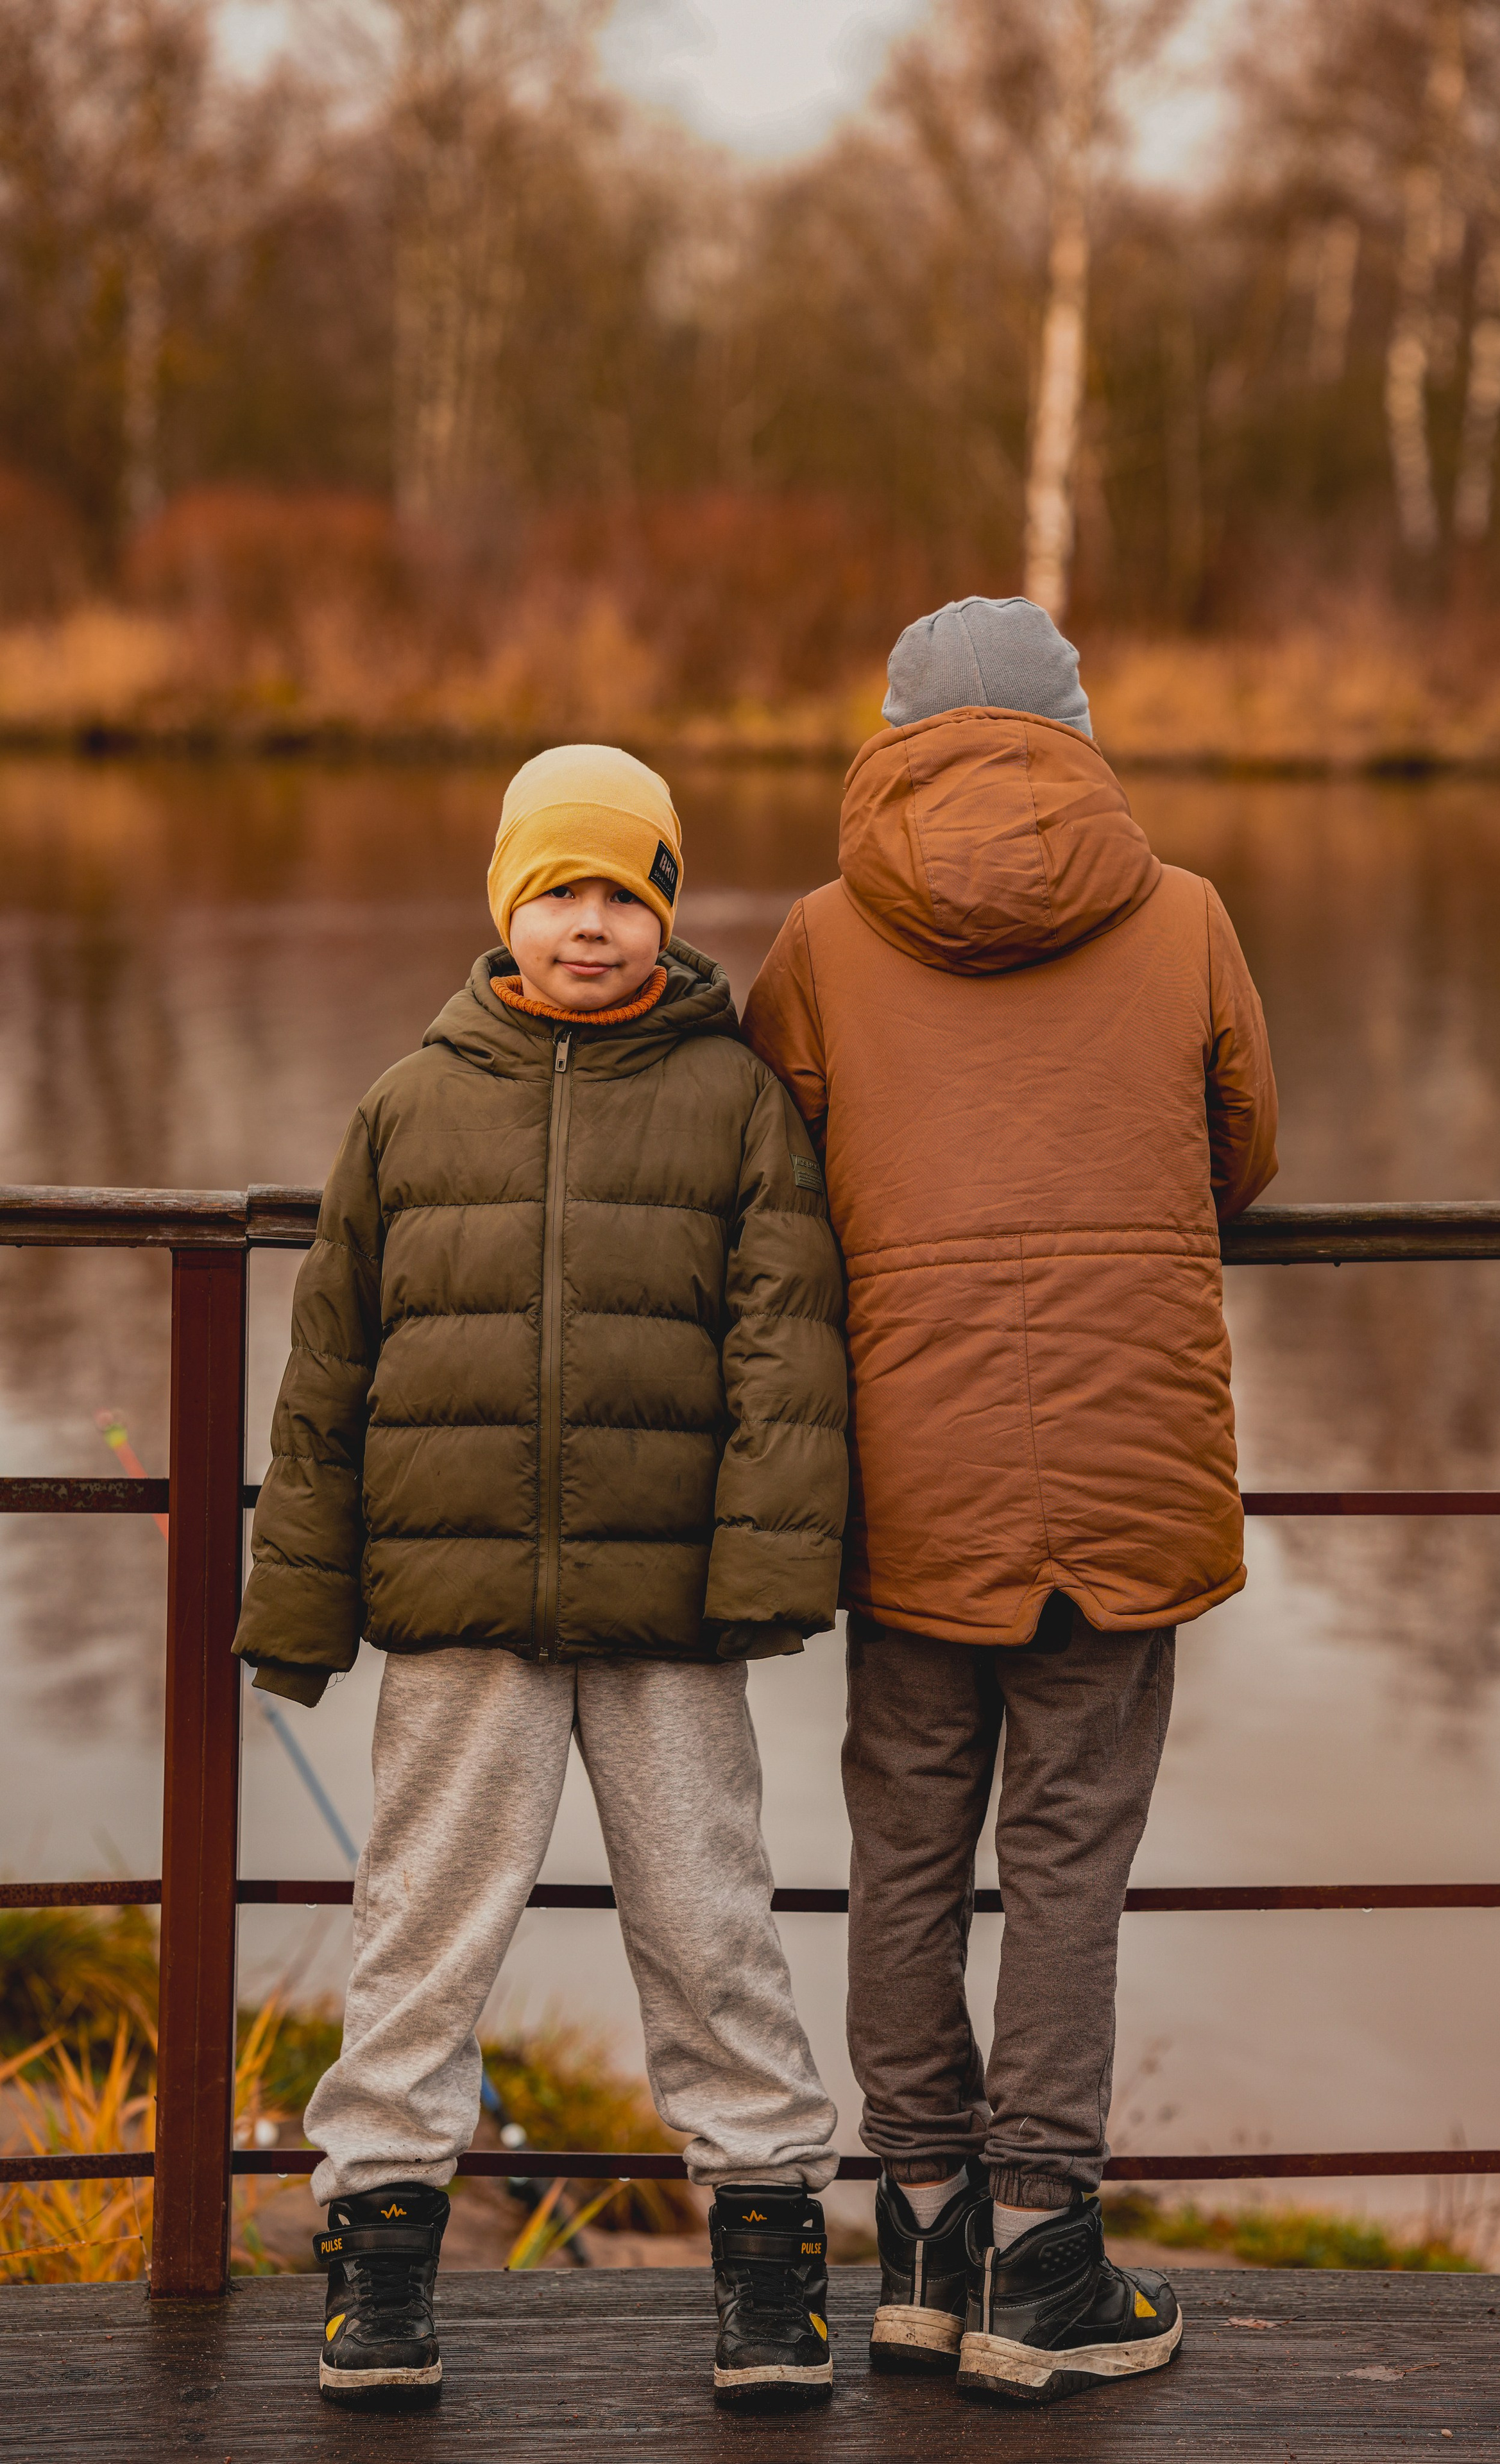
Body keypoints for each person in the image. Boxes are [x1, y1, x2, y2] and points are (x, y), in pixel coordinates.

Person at [233, 744, 848, 2414]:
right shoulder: (411, 1102)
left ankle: (770, 2253)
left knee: (713, 1925)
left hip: (669, 1619)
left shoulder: (733, 1100)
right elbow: (328, 1373)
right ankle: (378, 2255)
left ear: (664, 906)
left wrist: (765, 1573)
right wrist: (299, 1604)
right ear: (508, 907)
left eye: (622, 894)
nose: (590, 926)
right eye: (558, 893)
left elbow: (787, 1350)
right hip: (460, 1619)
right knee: (422, 1929)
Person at [742, 595, 1279, 2409]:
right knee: (1067, 1858)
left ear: (889, 732)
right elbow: (1247, 1147)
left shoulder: (819, 937)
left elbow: (779, 1172)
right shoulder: (1187, 909)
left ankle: (913, 2230)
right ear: (1080, 726)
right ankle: (1044, 2257)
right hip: (1125, 1452)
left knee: (904, 1849)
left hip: (908, 1464)